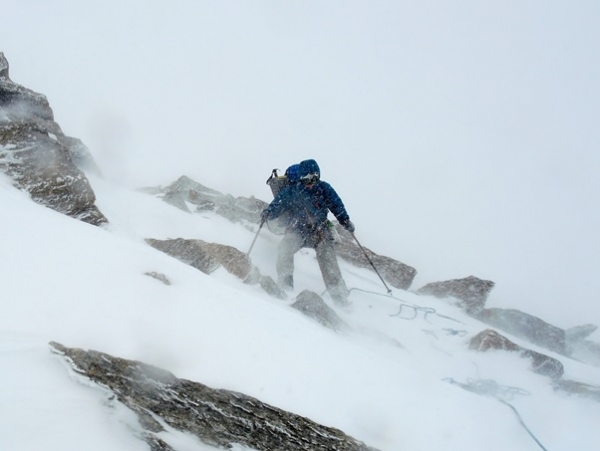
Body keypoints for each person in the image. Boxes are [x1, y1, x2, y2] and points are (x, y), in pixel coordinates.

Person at [260, 159, 355, 305]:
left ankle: (340, 297)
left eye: (314, 178)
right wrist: (268, 213)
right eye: (306, 179)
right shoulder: (292, 191)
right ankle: (285, 286)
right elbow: (279, 204)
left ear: (318, 176)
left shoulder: (324, 188)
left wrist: (345, 220)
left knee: (327, 257)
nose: (310, 183)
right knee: (284, 249)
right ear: (301, 178)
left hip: (320, 231)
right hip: (299, 230)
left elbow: (337, 205)